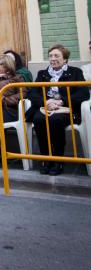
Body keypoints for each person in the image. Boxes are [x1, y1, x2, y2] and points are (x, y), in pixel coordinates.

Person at [29, 44, 89, 176]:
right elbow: (33, 93)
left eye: (56, 55)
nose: (52, 58)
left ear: (65, 59)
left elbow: (84, 93)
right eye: (50, 56)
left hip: (65, 109)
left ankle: (58, 160)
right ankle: (45, 158)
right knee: (38, 119)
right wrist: (46, 102)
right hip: (46, 107)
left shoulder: (75, 72)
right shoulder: (42, 74)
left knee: (55, 120)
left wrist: (62, 101)